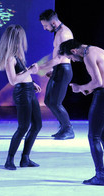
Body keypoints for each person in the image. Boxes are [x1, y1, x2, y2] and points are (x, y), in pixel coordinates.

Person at [59, 39, 104, 186]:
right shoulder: (97, 49)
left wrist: (80, 88)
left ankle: (100, 176)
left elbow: (98, 82)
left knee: (94, 137)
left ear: (73, 51)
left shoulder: (87, 55)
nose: (73, 60)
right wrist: (89, 88)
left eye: (71, 58)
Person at [0, 25, 42, 170]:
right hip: (22, 93)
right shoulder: (10, 59)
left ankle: (25, 158)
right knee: (23, 127)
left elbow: (22, 75)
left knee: (37, 125)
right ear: (16, 39)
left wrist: (31, 81)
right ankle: (9, 160)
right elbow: (13, 80)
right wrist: (31, 71)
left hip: (29, 90)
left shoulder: (17, 56)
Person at [38, 9, 75, 140]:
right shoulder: (59, 32)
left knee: (56, 102)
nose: (44, 28)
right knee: (48, 100)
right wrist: (53, 70)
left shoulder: (63, 34)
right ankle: (63, 127)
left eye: (45, 25)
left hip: (63, 69)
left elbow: (60, 58)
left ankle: (68, 129)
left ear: (53, 22)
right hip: (59, 69)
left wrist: (39, 67)